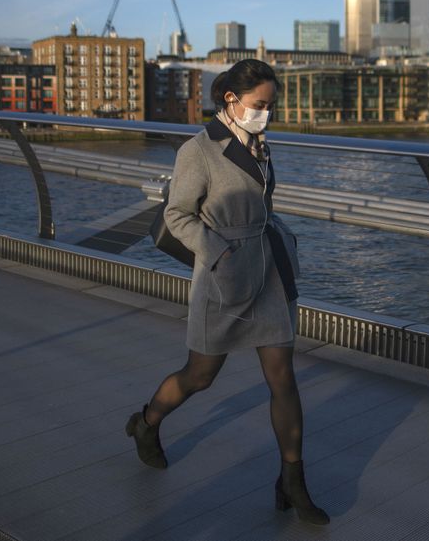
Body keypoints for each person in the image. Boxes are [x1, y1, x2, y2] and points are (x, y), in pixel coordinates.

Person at [124, 58, 329, 525]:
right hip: (224, 275)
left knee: (282, 377)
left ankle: (292, 481)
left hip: (269, 273)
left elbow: (261, 204)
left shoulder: (259, 144)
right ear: (230, 100)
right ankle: (147, 423)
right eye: (260, 105)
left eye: (271, 106)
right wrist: (217, 251)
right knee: (200, 375)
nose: (267, 114)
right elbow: (177, 215)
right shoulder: (198, 150)